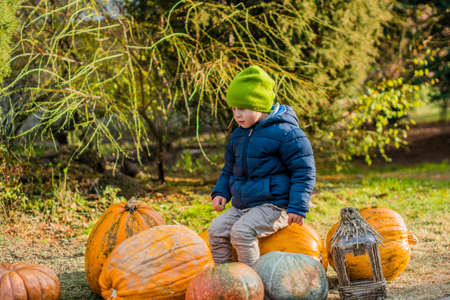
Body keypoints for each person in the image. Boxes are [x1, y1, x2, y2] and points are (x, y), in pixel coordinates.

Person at [208, 65, 316, 266]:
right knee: (216, 231)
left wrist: (298, 207)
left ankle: (252, 284)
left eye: (243, 108)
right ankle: (225, 278)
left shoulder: (286, 133)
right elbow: (229, 170)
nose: (237, 115)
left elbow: (304, 171)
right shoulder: (238, 136)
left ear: (260, 105)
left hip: (275, 205)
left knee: (241, 232)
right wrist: (221, 192)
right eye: (233, 109)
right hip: (243, 206)